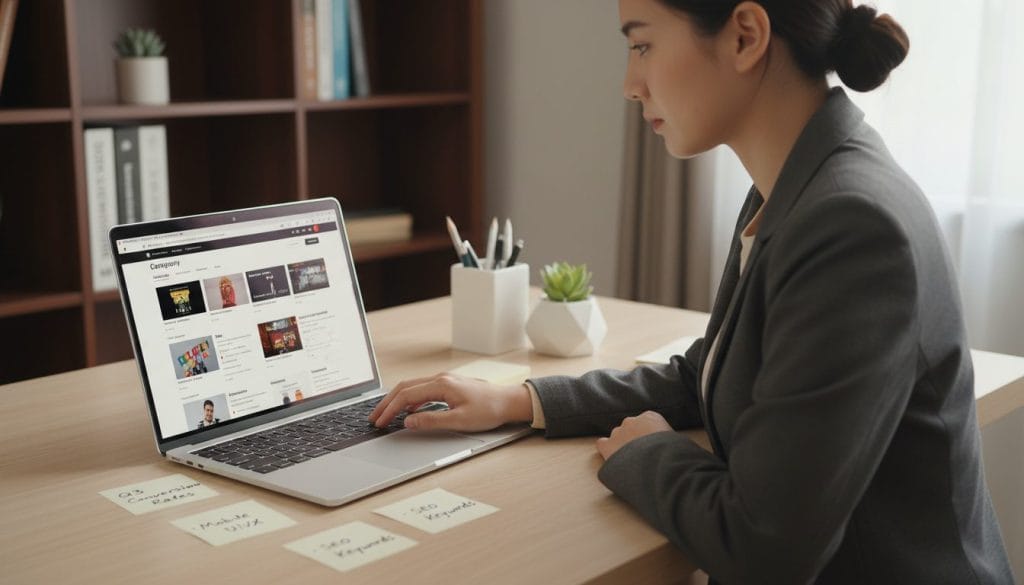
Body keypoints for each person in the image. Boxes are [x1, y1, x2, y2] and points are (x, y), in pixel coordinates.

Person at [369, 1, 1014, 583]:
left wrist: (650, 453)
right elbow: (708, 375)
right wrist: (517, 401)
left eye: (642, 44)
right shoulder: (796, 185)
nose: (629, 84)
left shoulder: (850, 224)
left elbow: (763, 547)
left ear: (745, 36)